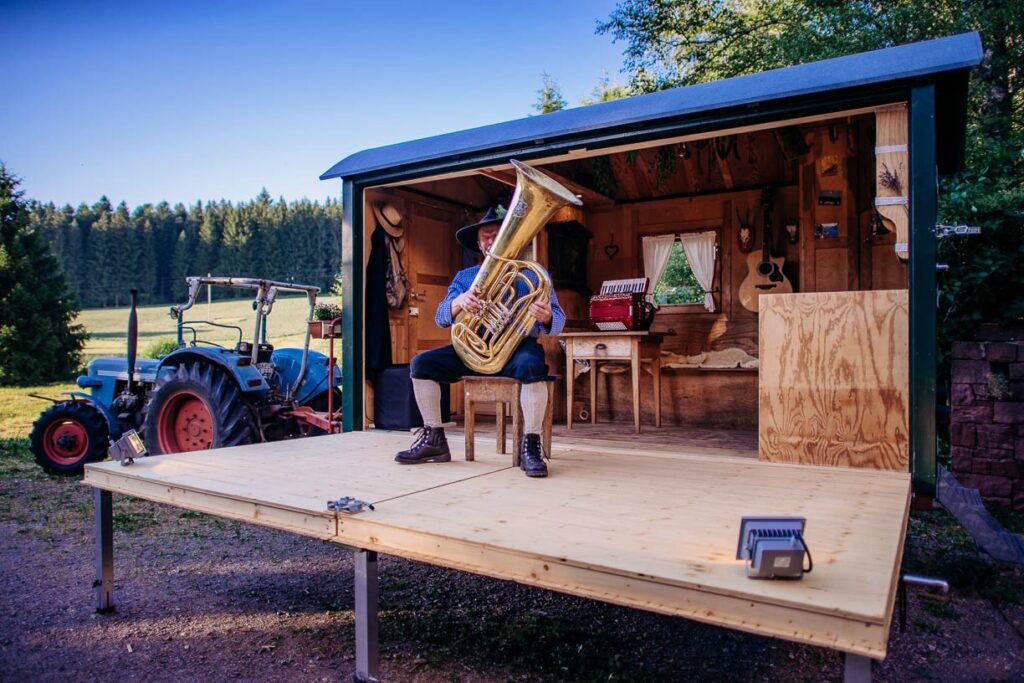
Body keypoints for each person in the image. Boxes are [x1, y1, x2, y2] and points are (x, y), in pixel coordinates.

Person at [394, 206, 564, 477]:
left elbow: (558, 318)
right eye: (485, 237)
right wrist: (457, 303)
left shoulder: (532, 274)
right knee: (421, 364)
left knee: (534, 368)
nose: (490, 242)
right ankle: (434, 440)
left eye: (497, 236)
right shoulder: (465, 278)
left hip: (517, 346)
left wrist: (545, 318)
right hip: (474, 347)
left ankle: (530, 446)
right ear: (478, 243)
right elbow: (440, 317)